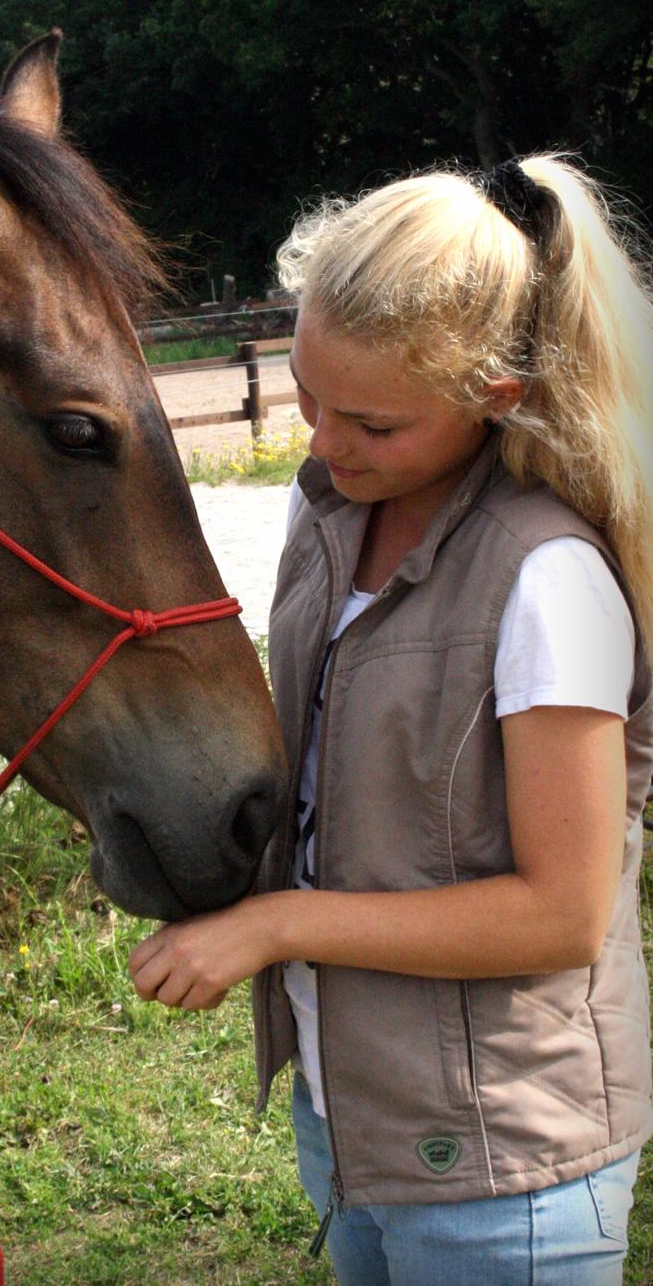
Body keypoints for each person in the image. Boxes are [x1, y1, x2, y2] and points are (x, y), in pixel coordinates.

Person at [129, 156, 653, 1285]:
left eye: (369, 420)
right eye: (305, 393)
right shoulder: (326, 512)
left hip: (504, 1166)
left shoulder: (546, 579)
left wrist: (273, 926)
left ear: (493, 398)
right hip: (356, 1115)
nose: (321, 440)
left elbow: (560, 916)